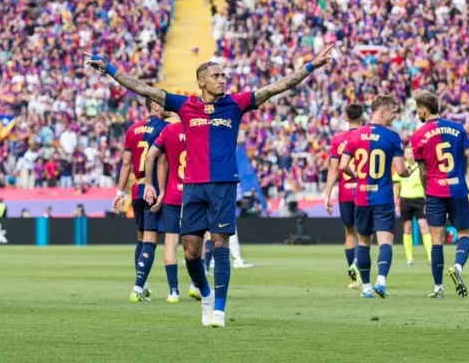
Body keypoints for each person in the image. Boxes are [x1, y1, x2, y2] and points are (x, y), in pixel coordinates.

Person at [93, 42, 335, 327]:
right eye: (216, 76)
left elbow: (276, 87)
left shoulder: (236, 104)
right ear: (201, 81)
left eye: (223, 76)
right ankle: (206, 294)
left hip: (223, 185)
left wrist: (311, 66)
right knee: (190, 250)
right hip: (193, 187)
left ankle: (219, 309)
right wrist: (109, 69)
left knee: (220, 243)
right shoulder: (185, 106)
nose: (222, 80)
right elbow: (144, 89)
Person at [331, 95, 408, 299]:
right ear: (381, 112)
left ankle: (365, 288)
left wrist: (357, 176)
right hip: (383, 197)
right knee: (385, 241)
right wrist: (407, 172)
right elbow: (401, 171)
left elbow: (342, 166)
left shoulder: (354, 136)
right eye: (392, 112)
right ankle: (381, 280)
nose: (395, 116)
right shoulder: (392, 137)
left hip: (362, 197)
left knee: (364, 242)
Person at [408, 92, 469, 299]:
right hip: (458, 189)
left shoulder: (418, 136)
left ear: (423, 111)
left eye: (418, 111)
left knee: (437, 240)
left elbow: (423, 172)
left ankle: (438, 288)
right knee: (465, 234)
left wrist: (427, 194)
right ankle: (457, 267)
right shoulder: (458, 129)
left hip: (434, 192)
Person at [116, 99, 170, 302]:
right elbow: (165, 161)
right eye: (163, 102)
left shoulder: (132, 129)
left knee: (140, 238)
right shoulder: (166, 128)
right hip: (153, 189)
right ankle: (138, 288)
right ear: (155, 105)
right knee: (150, 239)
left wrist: (119, 193)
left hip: (137, 190)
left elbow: (126, 164)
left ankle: (143, 283)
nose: (168, 105)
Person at [144, 114, 189, 303]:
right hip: (195, 194)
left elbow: (152, 157)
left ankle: (173, 290)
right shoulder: (198, 128)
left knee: (170, 242)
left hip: (173, 194)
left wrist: (154, 187)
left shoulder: (168, 130)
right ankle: (197, 285)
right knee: (201, 238)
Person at [323, 103, 366, 290]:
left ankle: (355, 278)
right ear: (362, 117)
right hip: (365, 191)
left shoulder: (338, 139)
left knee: (349, 233)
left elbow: (334, 169)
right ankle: (362, 270)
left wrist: (327, 194)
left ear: (345, 117)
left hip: (346, 192)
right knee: (364, 235)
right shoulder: (368, 136)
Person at [393, 153, 431, 267]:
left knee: (424, 227)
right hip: (405, 200)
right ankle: (409, 258)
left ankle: (431, 257)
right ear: (404, 155)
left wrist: (427, 200)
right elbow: (396, 186)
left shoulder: (421, 166)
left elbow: (426, 184)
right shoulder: (401, 167)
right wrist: (395, 203)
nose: (410, 155)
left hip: (420, 199)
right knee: (407, 229)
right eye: (408, 153)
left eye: (412, 153)